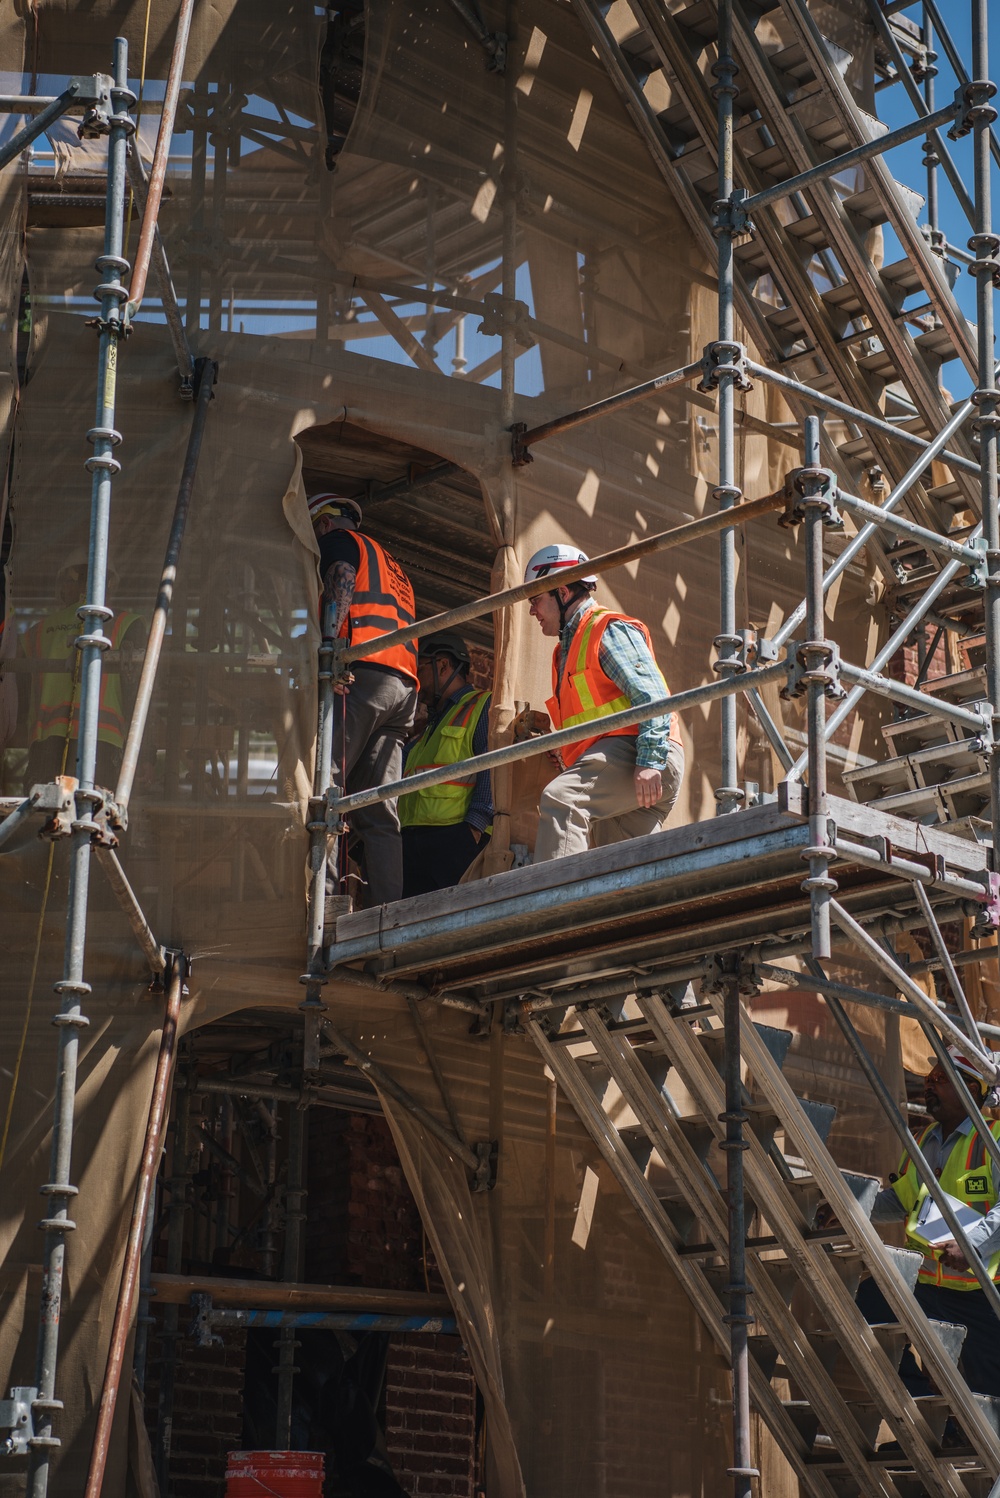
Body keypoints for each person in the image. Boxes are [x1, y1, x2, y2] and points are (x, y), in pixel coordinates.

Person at [524, 543, 684, 863]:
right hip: (622, 762)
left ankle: (554, 907)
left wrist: (650, 761)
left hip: (641, 751)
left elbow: (652, 697)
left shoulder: (606, 628)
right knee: (619, 860)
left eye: (536, 600)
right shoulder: (563, 653)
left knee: (563, 801)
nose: (532, 611)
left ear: (563, 592)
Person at [857, 1047, 1000, 1398]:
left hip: (980, 1291)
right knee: (869, 1306)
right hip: (922, 1280)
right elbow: (904, 1200)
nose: (929, 1086)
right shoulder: (921, 1140)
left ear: (971, 1089)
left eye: (940, 1079)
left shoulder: (994, 1139)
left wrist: (974, 1246)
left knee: (989, 1393)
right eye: (929, 1079)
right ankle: (922, 1406)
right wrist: (853, 1204)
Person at [309, 491, 418, 908]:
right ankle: (387, 915)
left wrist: (330, 650)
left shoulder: (341, 543)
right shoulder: (393, 566)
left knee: (327, 789)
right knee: (378, 811)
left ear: (322, 524)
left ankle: (323, 908)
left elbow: (340, 577)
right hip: (403, 685)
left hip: (361, 674)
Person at [17, 550, 145, 794]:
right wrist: (146, 754)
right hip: (103, 746)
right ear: (108, 584)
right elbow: (137, 694)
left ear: (67, 583)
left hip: (45, 749)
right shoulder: (126, 624)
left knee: (42, 820)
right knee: (97, 819)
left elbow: (19, 701)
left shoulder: (37, 632)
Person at [399, 631, 492, 898]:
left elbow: (493, 767)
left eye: (420, 669)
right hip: (414, 843)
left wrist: (473, 828)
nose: (416, 681)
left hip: (454, 840)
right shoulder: (427, 729)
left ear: (443, 665)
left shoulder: (480, 706)